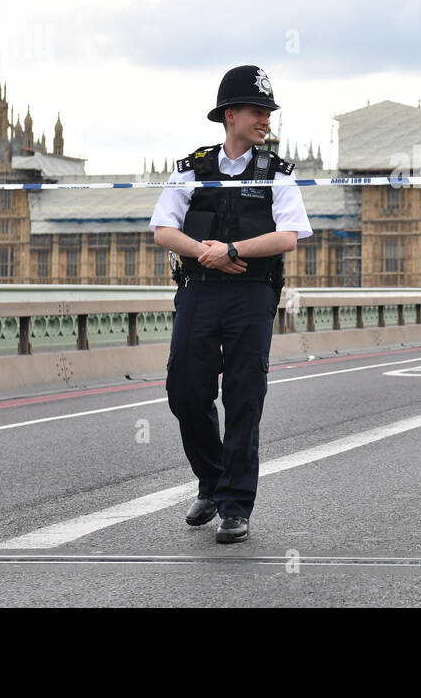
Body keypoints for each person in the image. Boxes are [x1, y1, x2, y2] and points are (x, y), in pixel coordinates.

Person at [149, 65, 311, 543]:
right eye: (258, 111)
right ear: (230, 115)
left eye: (268, 112)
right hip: (199, 291)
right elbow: (163, 230)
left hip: (251, 293)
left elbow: (289, 236)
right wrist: (206, 252)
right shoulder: (190, 169)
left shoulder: (277, 174)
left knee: (243, 397)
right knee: (186, 391)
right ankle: (213, 481)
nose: (265, 119)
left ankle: (236, 504)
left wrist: (234, 251)